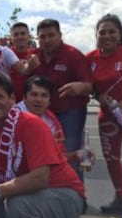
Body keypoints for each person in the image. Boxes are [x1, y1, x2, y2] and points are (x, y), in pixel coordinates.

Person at [0, 71, 85, 218]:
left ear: (12, 99)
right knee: (4, 211)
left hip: (65, 194)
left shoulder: (31, 124)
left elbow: (40, 178)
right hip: (27, 194)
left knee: (19, 207)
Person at [86, 13, 122, 218]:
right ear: (96, 36)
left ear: (119, 35)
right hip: (107, 116)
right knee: (111, 158)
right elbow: (90, 87)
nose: (106, 36)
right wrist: (98, 97)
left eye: (111, 32)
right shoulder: (90, 58)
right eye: (102, 32)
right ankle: (120, 197)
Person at [33, 18, 93, 180]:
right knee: (43, 155)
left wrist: (81, 87)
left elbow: (90, 85)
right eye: (42, 37)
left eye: (51, 35)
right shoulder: (34, 56)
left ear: (60, 35)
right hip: (43, 114)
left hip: (70, 113)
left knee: (69, 155)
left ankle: (77, 198)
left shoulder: (74, 56)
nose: (46, 40)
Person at [8, 22, 37, 102]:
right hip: (10, 104)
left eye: (23, 33)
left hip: (32, 103)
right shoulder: (5, 54)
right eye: (16, 34)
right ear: (11, 38)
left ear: (29, 36)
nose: (20, 37)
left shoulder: (36, 54)